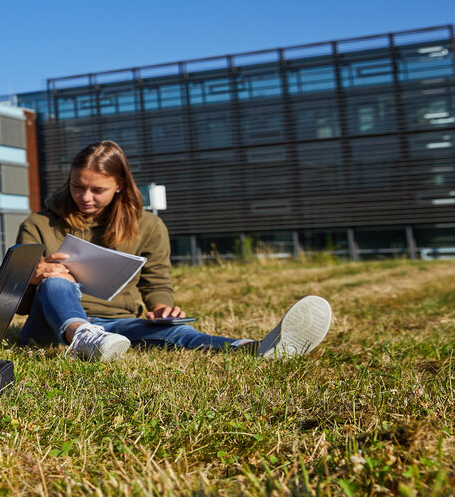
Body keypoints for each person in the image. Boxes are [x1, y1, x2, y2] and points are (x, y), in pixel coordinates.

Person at [17, 140, 332, 361]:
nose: (85, 197)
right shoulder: (39, 224)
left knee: (181, 333)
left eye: (97, 190)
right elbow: (12, 303)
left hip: (116, 325)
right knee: (57, 280)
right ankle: (81, 335)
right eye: (77, 186)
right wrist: (32, 277)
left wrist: (163, 307)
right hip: (50, 328)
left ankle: (254, 348)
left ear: (120, 187)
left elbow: (156, 282)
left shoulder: (149, 226)